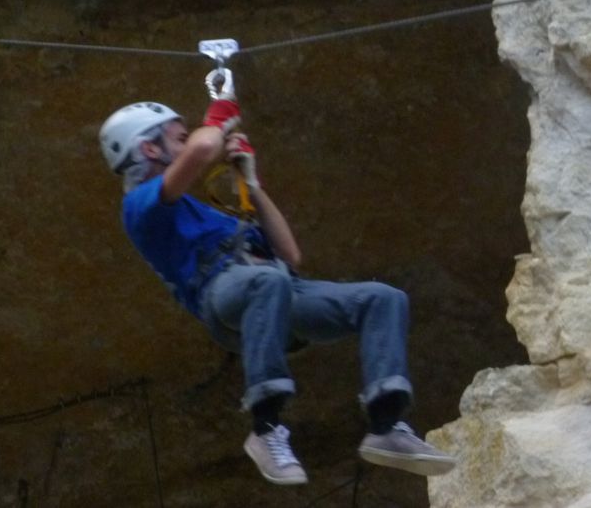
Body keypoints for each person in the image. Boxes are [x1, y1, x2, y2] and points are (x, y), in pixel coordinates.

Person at [98, 98, 456, 485]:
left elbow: (290, 255)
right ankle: (265, 428)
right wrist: (217, 118)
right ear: (150, 148)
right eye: (178, 138)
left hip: (277, 289)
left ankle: (386, 424)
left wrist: (251, 184)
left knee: (383, 298)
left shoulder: (206, 214)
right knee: (269, 282)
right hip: (224, 295)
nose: (190, 143)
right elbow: (203, 148)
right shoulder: (139, 207)